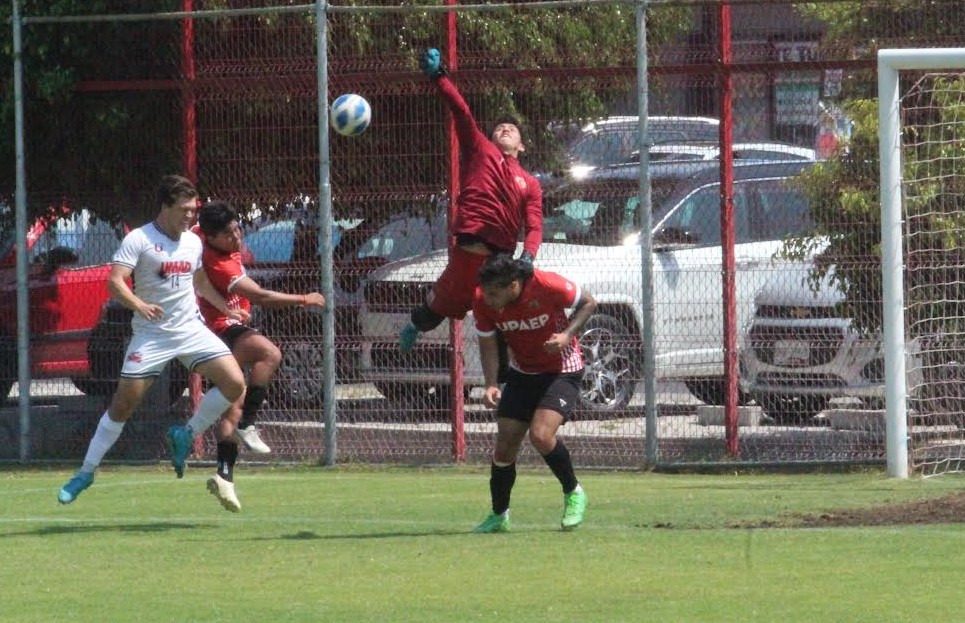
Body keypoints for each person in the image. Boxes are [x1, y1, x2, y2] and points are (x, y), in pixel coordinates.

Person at [57, 175, 247, 504]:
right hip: (151, 335)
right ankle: (85, 473)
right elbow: (115, 282)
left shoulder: (193, 242)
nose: (191, 215)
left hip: (190, 329)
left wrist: (225, 310)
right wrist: (139, 305)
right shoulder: (140, 240)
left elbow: (199, 282)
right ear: (166, 206)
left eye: (194, 209)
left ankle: (185, 434)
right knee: (123, 405)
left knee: (234, 384)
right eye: (185, 209)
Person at [398, 47, 544, 353]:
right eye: (499, 127)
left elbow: (534, 227)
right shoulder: (480, 150)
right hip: (467, 255)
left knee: (505, 322)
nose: (504, 128)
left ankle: (509, 385)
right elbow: (461, 111)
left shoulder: (529, 183)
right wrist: (439, 77)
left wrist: (528, 255)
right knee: (434, 310)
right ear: (490, 138)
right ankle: (413, 326)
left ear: (523, 146)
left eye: (512, 128)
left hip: (499, 261)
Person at [195, 200, 326, 512]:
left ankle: (224, 476)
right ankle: (249, 425)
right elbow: (260, 296)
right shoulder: (219, 262)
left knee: (232, 404)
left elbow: (193, 216)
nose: (237, 236)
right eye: (228, 234)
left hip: (227, 323)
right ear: (211, 238)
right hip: (220, 329)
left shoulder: (203, 232)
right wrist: (304, 298)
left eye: (238, 228)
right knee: (270, 353)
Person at [470, 254, 597, 533]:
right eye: (486, 293)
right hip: (523, 373)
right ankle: (499, 515)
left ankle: (574, 492)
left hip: (562, 370)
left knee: (540, 435)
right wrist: (491, 383)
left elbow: (589, 302)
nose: (488, 299)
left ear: (513, 285)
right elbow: (488, 344)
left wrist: (566, 336)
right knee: (505, 444)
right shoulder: (482, 299)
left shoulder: (546, 284)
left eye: (494, 294)